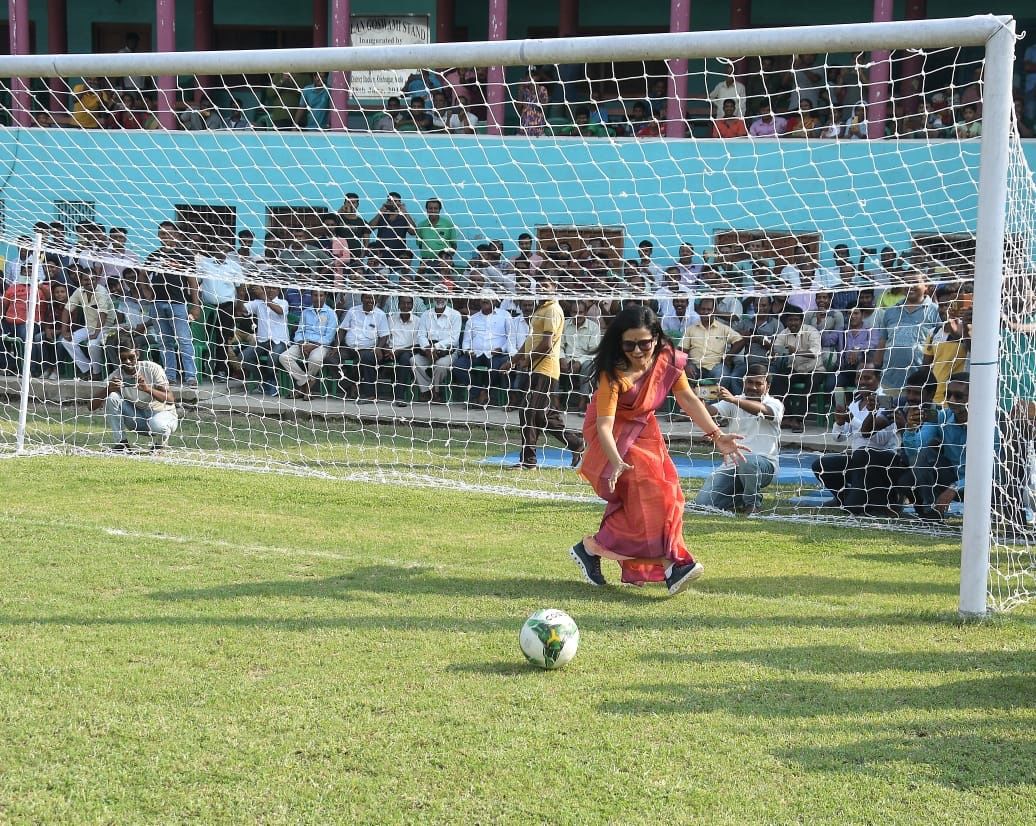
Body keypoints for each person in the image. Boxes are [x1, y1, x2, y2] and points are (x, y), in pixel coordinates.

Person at [568, 305, 746, 594]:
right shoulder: (612, 372)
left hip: (643, 427)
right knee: (647, 494)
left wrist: (716, 435)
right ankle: (673, 565)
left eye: (644, 343)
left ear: (656, 338)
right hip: (612, 434)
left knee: (669, 492)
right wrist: (616, 462)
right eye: (629, 344)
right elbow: (603, 425)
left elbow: (687, 399)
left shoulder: (667, 359)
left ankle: (592, 548)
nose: (637, 351)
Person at [514, 273, 584, 469]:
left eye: (546, 285)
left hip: (545, 368)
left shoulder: (553, 309)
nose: (542, 288)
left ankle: (528, 461)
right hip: (535, 367)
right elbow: (531, 339)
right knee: (540, 414)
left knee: (531, 413)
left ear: (554, 286)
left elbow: (546, 344)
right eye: (540, 285)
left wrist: (527, 359)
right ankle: (576, 443)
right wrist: (515, 359)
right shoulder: (540, 308)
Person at [695, 365, 783, 515]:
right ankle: (739, 498)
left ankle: (753, 504)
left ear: (767, 386)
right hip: (732, 465)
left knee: (748, 461)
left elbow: (764, 411)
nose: (753, 387)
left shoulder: (775, 404)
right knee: (703, 503)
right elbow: (710, 412)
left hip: (764, 465)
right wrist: (698, 399)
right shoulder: (733, 400)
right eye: (749, 382)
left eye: (758, 384)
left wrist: (733, 400)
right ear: (744, 382)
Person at [90, 335, 178, 452]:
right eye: (123, 359)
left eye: (131, 357)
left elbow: (170, 399)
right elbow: (91, 407)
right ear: (118, 359)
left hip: (162, 416)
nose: (127, 362)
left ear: (137, 354)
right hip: (138, 419)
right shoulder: (116, 375)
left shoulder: (152, 368)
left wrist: (147, 389)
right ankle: (121, 444)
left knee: (157, 424)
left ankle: (159, 445)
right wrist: (108, 389)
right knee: (113, 397)